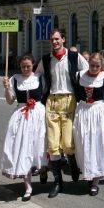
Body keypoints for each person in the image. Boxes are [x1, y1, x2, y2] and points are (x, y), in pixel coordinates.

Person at [35, 29, 89, 198]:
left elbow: (87, 72)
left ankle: (72, 162)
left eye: (57, 39)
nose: (55, 42)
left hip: (69, 100)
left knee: (67, 142)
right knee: (52, 144)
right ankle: (58, 183)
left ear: (63, 39)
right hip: (52, 100)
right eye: (52, 39)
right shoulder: (46, 59)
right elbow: (36, 76)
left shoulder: (74, 57)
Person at [0, 54, 48, 201]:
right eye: (23, 66)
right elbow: (10, 101)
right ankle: (28, 187)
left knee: (39, 147)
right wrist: (7, 89)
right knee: (22, 149)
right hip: (21, 115)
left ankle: (42, 168)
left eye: (28, 66)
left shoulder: (39, 77)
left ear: (33, 64)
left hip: (38, 115)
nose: (26, 69)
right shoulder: (14, 79)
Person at [73, 53, 104, 196]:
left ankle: (95, 182)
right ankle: (88, 172)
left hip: (99, 113)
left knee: (98, 144)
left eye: (97, 66)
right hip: (83, 112)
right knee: (84, 143)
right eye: (92, 65)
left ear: (101, 66)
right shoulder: (79, 76)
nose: (94, 68)